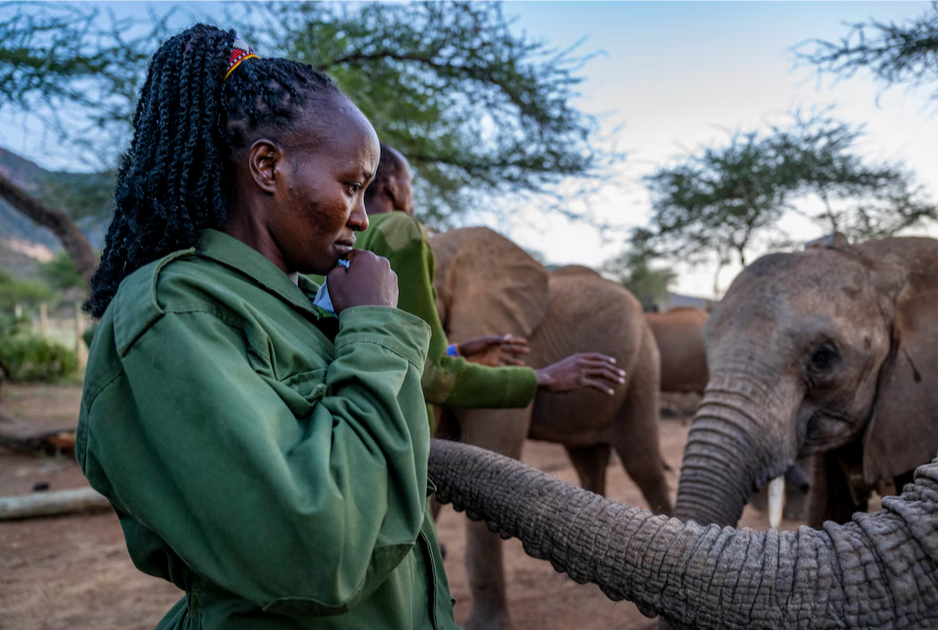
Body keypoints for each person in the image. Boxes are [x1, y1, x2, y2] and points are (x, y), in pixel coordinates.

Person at [77, 25, 457, 630]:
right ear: (267, 166)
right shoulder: (175, 312)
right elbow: (319, 551)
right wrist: (374, 329)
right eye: (351, 186)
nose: (362, 218)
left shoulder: (297, 304)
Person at [358, 144, 626, 431]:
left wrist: (455, 351)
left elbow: (379, 353)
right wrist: (542, 378)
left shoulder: (344, 239)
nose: (413, 197)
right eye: (410, 184)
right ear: (391, 186)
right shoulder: (401, 230)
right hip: (389, 431)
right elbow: (428, 375)